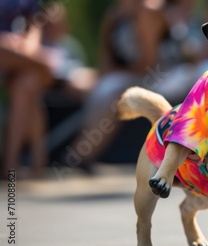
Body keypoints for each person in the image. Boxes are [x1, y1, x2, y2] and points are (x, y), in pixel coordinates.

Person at [64, 0, 168, 172]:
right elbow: (105, 60)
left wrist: (113, 75)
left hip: (159, 76)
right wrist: (102, 76)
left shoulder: (148, 11)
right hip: (124, 74)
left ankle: (81, 155)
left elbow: (150, 64)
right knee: (85, 84)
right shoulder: (114, 14)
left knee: (115, 93)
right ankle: (78, 150)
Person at [0, 0, 53, 178]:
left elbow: (34, 27)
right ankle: (43, 68)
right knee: (37, 72)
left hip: (17, 59)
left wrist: (27, 48)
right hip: (7, 51)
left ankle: (11, 164)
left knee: (27, 84)